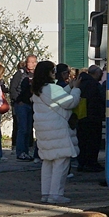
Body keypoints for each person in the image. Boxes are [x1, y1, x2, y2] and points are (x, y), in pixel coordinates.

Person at [30, 60, 80, 204]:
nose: (54, 74)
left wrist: (69, 87)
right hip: (57, 131)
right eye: (53, 71)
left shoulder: (38, 89)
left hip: (44, 131)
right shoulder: (52, 88)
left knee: (47, 162)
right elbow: (70, 102)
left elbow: (56, 99)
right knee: (61, 162)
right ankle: (56, 195)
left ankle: (46, 193)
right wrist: (76, 89)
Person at [75, 65, 107, 173]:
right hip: (93, 117)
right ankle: (91, 163)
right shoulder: (95, 85)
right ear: (96, 74)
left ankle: (82, 163)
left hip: (82, 117)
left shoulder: (81, 83)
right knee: (93, 142)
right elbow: (103, 98)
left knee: (82, 141)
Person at [10, 54, 39, 161]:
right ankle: (20, 152)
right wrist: (18, 101)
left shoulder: (36, 75)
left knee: (29, 129)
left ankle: (26, 151)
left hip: (32, 104)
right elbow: (12, 88)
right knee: (22, 129)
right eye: (29, 62)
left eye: (33, 62)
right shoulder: (20, 73)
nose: (31, 64)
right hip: (22, 104)